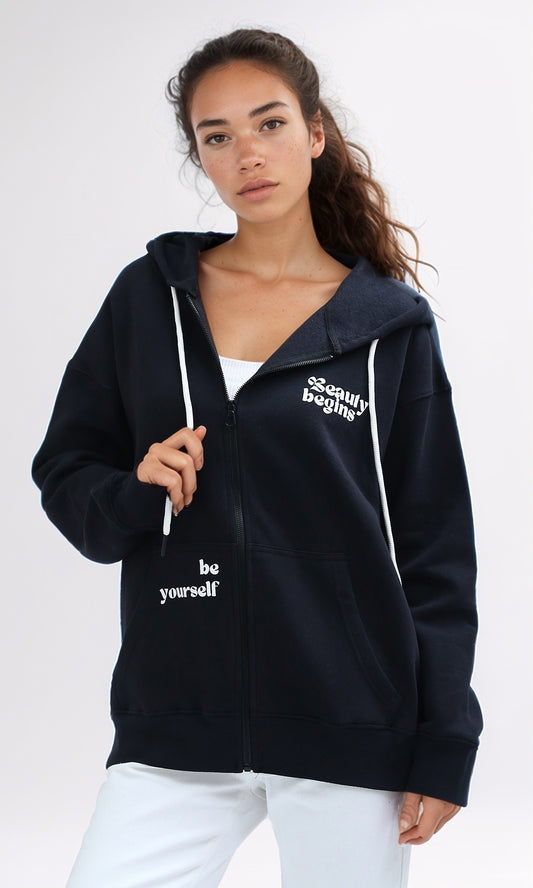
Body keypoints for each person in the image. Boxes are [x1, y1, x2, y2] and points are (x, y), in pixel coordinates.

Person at [32, 27, 482, 888]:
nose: (247, 153)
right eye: (217, 136)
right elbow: (66, 473)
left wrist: (444, 741)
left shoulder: (387, 328)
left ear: (314, 133)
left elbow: (435, 550)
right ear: (199, 157)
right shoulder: (148, 299)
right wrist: (133, 490)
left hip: (349, 725)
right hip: (176, 722)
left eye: (269, 123)